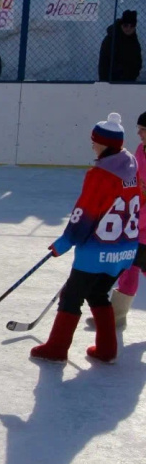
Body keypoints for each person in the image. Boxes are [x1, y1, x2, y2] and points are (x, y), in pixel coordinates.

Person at [30, 113, 139, 364]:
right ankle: (107, 349)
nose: (92, 144)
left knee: (71, 296)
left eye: (95, 141)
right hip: (124, 250)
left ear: (106, 144)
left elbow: (86, 213)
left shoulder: (100, 175)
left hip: (96, 252)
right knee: (99, 293)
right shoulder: (131, 167)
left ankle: (56, 349)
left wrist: (65, 242)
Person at [86, 110, 146, 330]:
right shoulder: (140, 150)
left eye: (144, 130)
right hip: (135, 221)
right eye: (139, 129)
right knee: (128, 266)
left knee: (134, 264)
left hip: (142, 224)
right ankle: (117, 317)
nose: (139, 133)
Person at [98, 9, 142, 82]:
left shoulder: (134, 41)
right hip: (111, 81)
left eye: (132, 26)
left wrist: (132, 76)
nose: (128, 28)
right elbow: (103, 64)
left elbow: (138, 61)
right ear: (121, 24)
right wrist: (105, 82)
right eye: (125, 25)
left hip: (129, 81)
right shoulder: (110, 39)